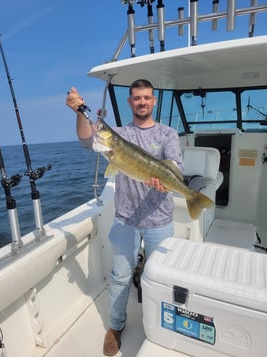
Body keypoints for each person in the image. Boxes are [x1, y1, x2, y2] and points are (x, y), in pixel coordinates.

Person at [66, 79, 183, 356]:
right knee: (120, 276)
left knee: (161, 277)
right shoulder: (116, 135)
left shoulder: (168, 134)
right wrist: (80, 111)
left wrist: (167, 180)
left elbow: (175, 166)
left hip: (161, 218)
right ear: (130, 103)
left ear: (153, 101)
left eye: (146, 97)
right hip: (126, 218)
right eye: (136, 98)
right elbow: (86, 139)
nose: (142, 102)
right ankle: (116, 326)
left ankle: (160, 327)